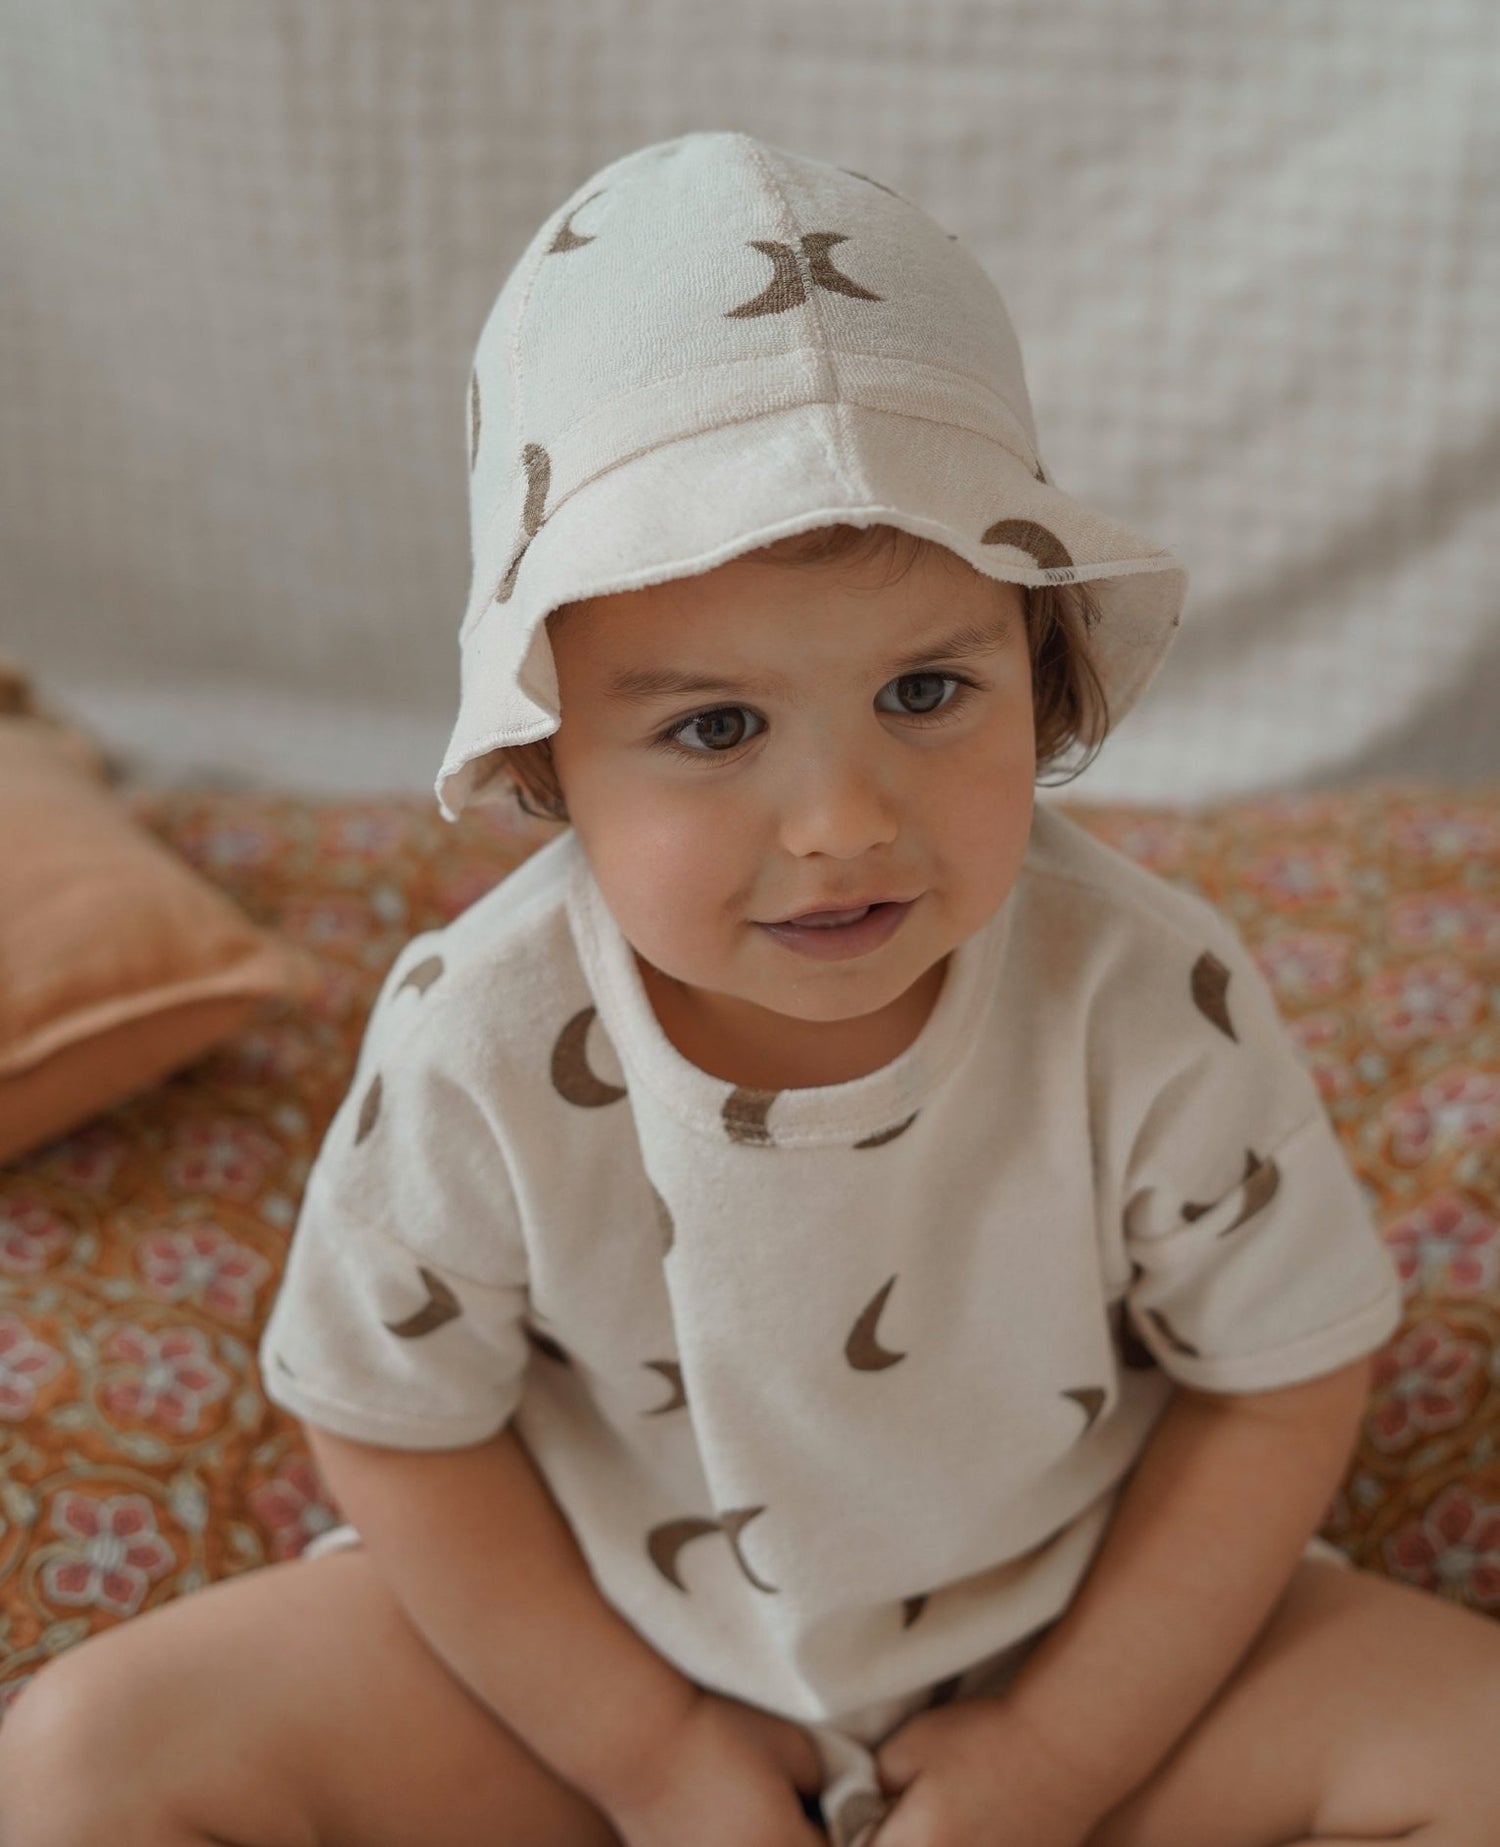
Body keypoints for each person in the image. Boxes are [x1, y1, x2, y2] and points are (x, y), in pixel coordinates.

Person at [4, 132, 1497, 1847]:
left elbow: (1276, 1383)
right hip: (595, 1658)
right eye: (714, 727)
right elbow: (398, 1427)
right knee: (84, 1762)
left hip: (1082, 1634)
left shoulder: (1149, 994)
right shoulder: (479, 1036)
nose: (843, 823)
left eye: (927, 693)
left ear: (1040, 664)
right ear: (549, 753)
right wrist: (650, 1760)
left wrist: (1058, 1759)